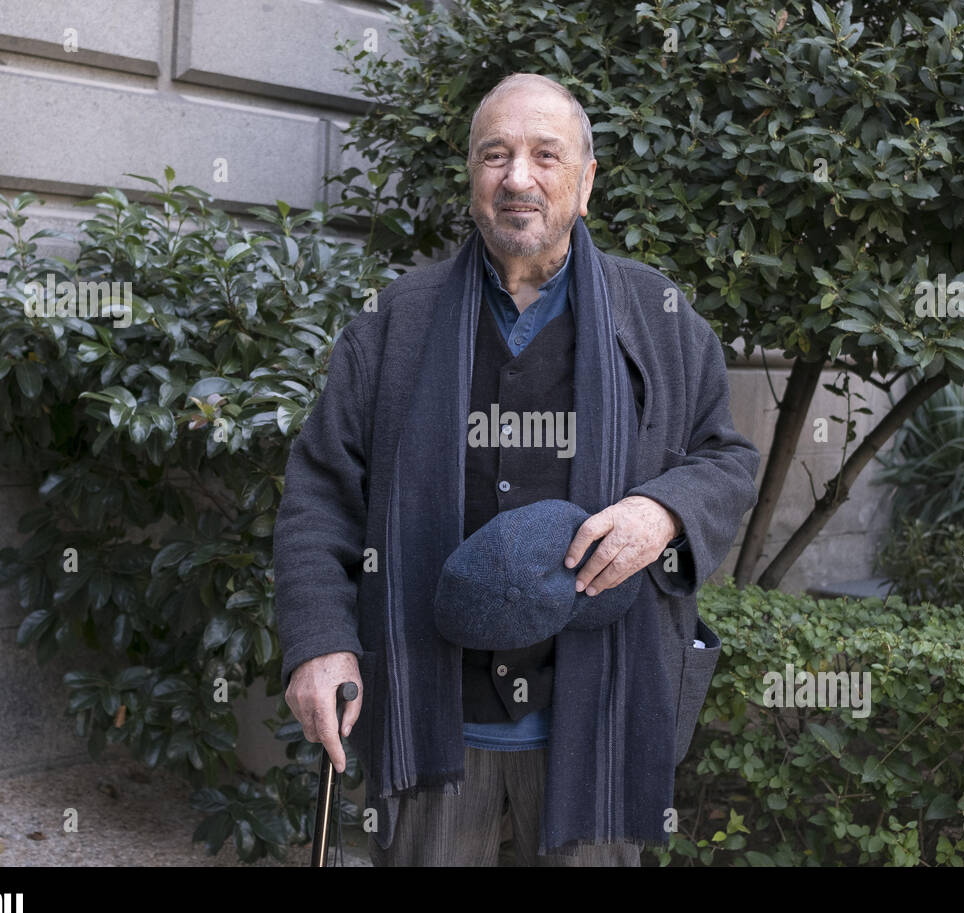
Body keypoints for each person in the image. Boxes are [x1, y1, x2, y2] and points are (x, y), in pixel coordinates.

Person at [274, 72, 760, 866]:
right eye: (494, 155)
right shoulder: (396, 321)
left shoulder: (659, 316)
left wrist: (663, 512)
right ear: (472, 176)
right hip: (430, 720)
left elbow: (727, 459)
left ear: (587, 180)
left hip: (597, 719)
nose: (518, 178)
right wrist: (319, 640)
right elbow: (320, 496)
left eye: (545, 154)